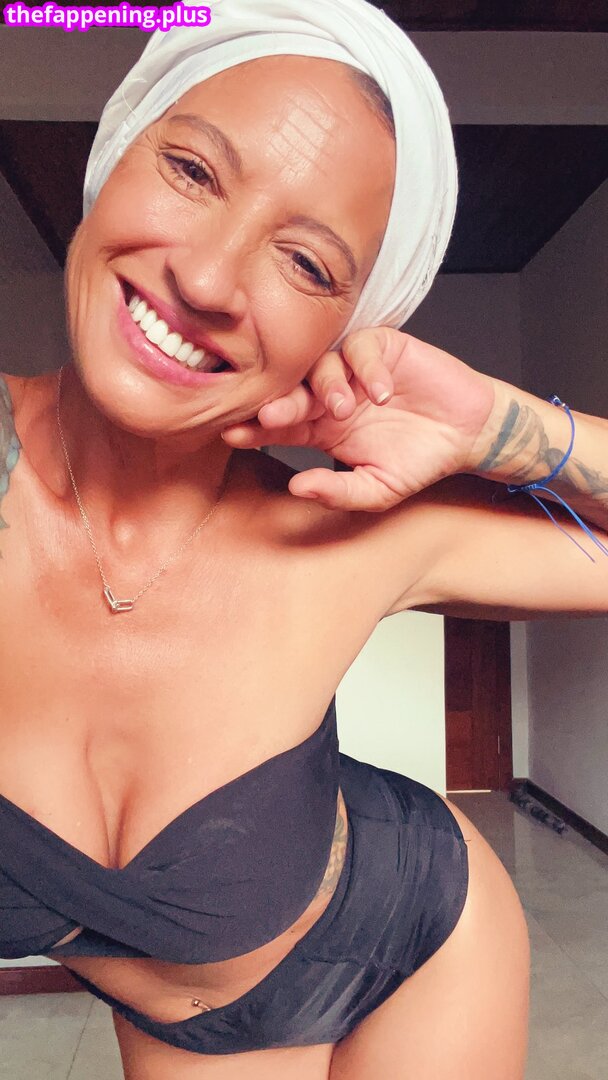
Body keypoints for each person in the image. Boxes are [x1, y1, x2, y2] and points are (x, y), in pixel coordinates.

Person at [1, 1, 607, 1077]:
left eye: (307, 265)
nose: (207, 280)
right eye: (193, 171)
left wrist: (500, 428)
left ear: (344, 333)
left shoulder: (350, 533)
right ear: (114, 157)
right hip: (193, 1008)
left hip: (421, 942)